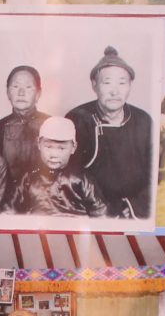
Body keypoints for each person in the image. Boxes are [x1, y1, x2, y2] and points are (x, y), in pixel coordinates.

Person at [62, 48, 153, 218]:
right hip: (93, 211)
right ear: (94, 85)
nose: (115, 91)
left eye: (122, 82)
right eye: (107, 82)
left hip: (133, 212)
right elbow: (68, 176)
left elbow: (155, 174)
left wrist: (132, 206)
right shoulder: (77, 118)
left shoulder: (144, 120)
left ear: (130, 86)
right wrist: (104, 210)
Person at [15, 115, 108, 217]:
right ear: (38, 144)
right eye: (48, 147)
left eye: (61, 148)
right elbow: (10, 211)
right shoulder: (29, 178)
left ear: (73, 148)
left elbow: (101, 213)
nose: (54, 155)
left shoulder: (82, 179)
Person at [0, 66, 52, 191]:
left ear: (38, 94)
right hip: (7, 194)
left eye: (28, 87)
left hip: (43, 195)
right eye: (15, 86)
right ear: (8, 93)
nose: (21, 93)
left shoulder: (50, 124)